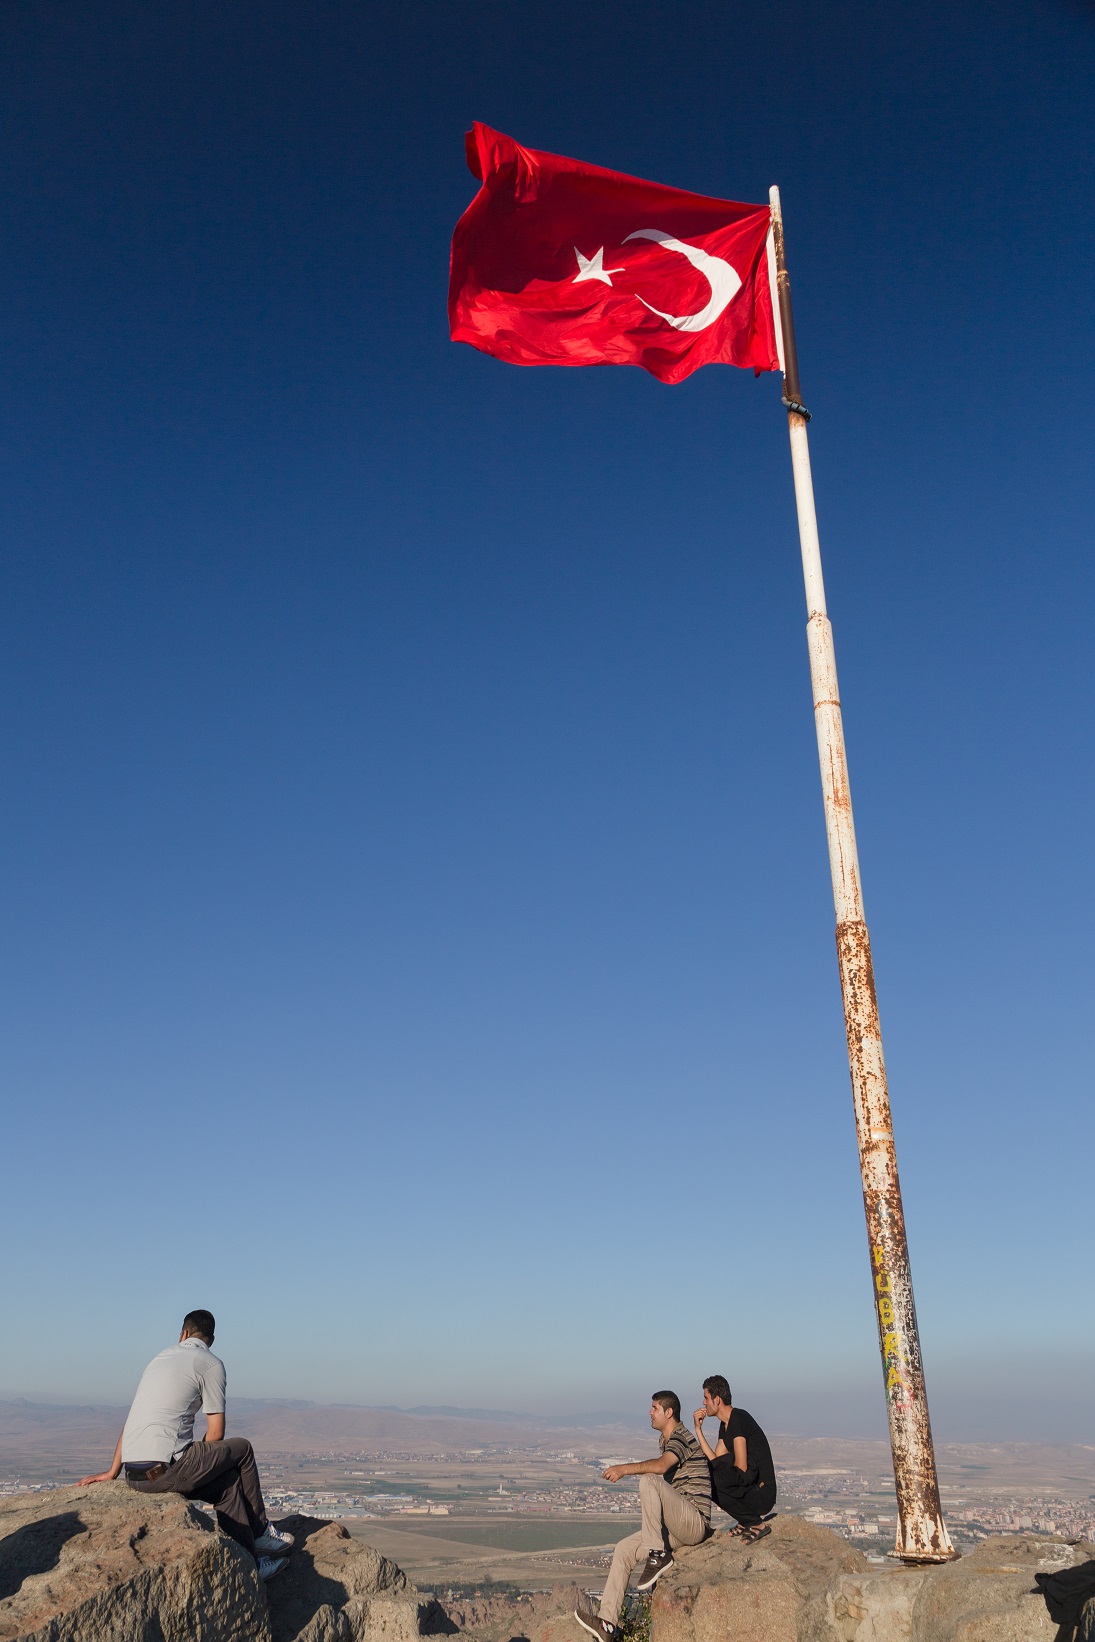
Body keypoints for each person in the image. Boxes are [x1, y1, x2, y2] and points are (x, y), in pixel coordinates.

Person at [79, 1309, 294, 1580]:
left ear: (183, 1333)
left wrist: (112, 1472)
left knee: (227, 1484)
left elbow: (133, 1421)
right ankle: (261, 1532)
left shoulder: (158, 1360)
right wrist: (203, 1459)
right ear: (211, 1339)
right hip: (165, 1470)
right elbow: (215, 1434)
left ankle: (249, 1565)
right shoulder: (210, 1363)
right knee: (243, 1448)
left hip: (134, 1475)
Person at [574, 1391, 711, 1642]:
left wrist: (623, 1469)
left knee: (649, 1479)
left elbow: (660, 1467)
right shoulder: (665, 1440)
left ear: (669, 1413)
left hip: (694, 1521)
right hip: (678, 1525)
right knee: (623, 1549)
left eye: (654, 1408)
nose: (650, 1412)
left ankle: (657, 1555)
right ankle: (608, 1624)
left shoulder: (680, 1437)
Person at [692, 1374, 776, 1542]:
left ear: (717, 1400)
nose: (703, 1403)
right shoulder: (725, 1424)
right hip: (750, 1487)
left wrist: (723, 1475)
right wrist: (698, 1431)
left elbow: (741, 1468)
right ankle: (746, 1520)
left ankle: (756, 1524)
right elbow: (717, 1460)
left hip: (762, 1493)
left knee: (716, 1477)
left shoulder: (738, 1418)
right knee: (710, 1474)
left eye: (706, 1398)